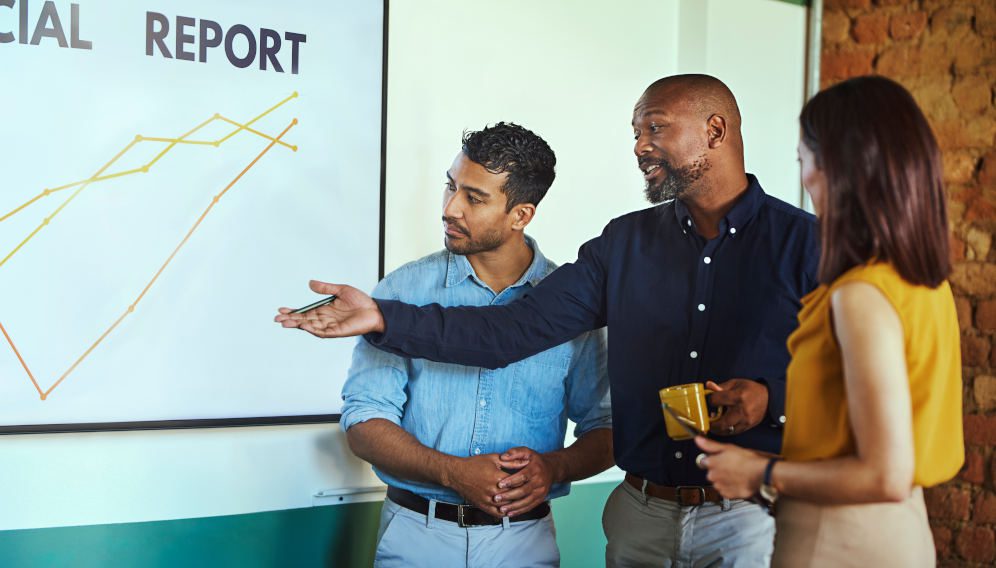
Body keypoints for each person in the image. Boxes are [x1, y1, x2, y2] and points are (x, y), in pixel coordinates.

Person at [277, 75, 820, 567]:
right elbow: (509, 332)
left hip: (749, 518)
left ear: (715, 130)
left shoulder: (809, 246)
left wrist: (774, 398)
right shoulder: (624, 244)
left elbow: (863, 383)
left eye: (654, 128)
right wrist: (381, 315)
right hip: (640, 516)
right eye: (635, 132)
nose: (639, 147)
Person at [694, 76, 963, 567]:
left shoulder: (860, 295)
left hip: (840, 541)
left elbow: (884, 473)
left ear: (837, 169)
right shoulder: (922, 282)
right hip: (900, 533)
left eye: (804, 161)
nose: (805, 179)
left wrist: (762, 472)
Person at [339, 122, 614, 568]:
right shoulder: (403, 290)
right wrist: (452, 472)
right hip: (415, 536)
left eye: (474, 197)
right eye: (451, 186)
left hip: (524, 542)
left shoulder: (571, 304)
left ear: (521, 214)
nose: (450, 208)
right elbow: (363, 420)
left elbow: (607, 427)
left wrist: (554, 469)